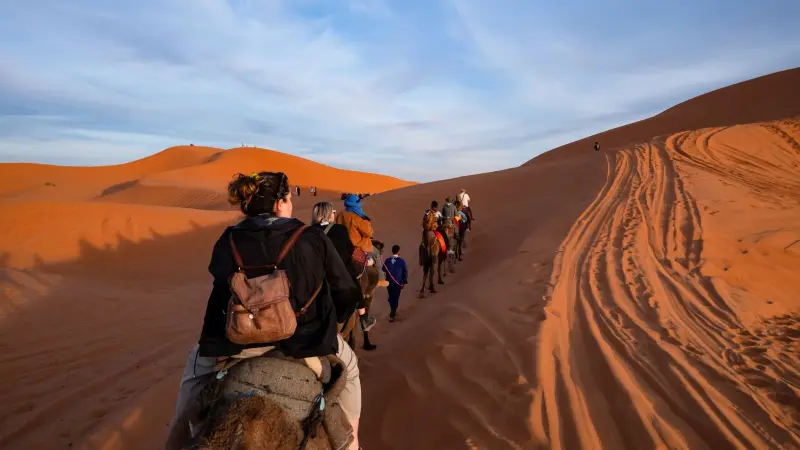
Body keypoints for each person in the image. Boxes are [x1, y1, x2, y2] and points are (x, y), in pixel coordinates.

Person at [165, 172, 364, 450]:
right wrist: (331, 321)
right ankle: (352, 444)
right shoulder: (310, 238)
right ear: (281, 203)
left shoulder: (228, 240)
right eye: (290, 199)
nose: (291, 204)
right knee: (350, 368)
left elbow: (220, 288)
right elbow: (346, 291)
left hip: (233, 345)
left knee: (190, 388)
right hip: (305, 345)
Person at [310, 202, 377, 333]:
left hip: (315, 276)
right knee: (354, 283)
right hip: (338, 273)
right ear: (328, 214)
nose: (334, 214)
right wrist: (366, 260)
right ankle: (364, 318)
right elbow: (351, 251)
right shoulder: (339, 230)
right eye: (333, 212)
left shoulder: (309, 231)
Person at [336, 194, 381, 350]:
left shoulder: (340, 215)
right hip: (357, 253)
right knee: (374, 264)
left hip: (339, 252)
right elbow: (368, 232)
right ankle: (372, 289)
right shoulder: (356, 217)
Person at [382, 245, 408, 322]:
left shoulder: (387, 260)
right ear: (398, 251)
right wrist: (404, 281)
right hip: (397, 283)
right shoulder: (402, 261)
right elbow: (405, 272)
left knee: (391, 297)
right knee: (395, 298)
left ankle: (392, 311)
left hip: (389, 283)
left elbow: (383, 269)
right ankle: (392, 315)